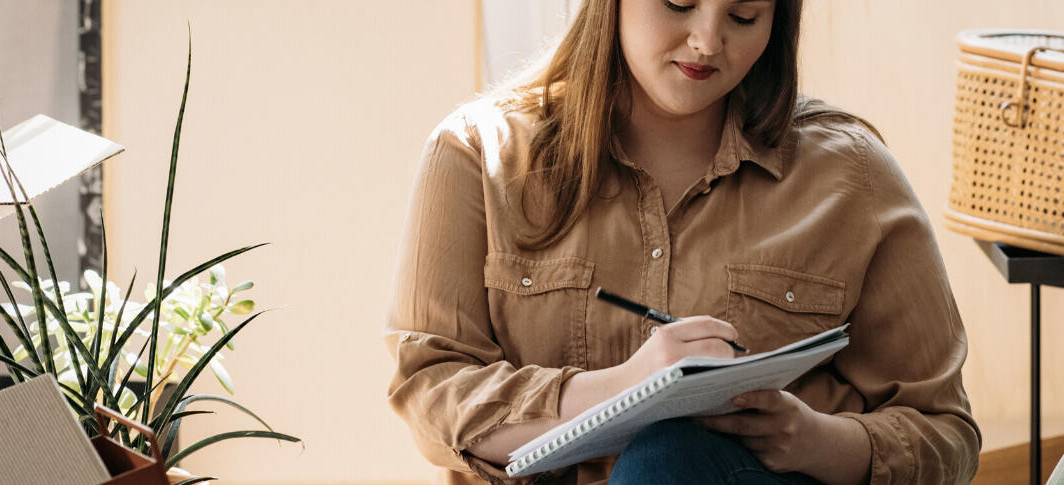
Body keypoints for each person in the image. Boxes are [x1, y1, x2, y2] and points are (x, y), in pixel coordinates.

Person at [385, 0, 978, 483]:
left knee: (669, 459)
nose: (707, 41)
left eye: (744, 16)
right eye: (678, 3)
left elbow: (946, 435)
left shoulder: (852, 176)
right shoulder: (474, 154)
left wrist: (816, 440)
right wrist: (621, 388)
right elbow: (431, 396)